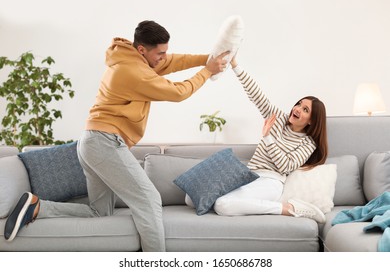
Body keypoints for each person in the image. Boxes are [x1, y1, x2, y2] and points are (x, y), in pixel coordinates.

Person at [4, 20, 229, 251]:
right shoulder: (133, 72)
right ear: (142, 50)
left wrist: (206, 58)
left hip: (93, 142)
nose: (164, 57)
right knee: (150, 199)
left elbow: (171, 61)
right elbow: (178, 92)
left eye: (165, 51)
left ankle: (38, 206)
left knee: (100, 211)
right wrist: (207, 71)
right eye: (160, 53)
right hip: (104, 143)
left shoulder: (132, 59)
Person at [213, 56, 328, 223]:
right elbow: (258, 96)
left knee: (222, 205)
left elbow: (285, 166)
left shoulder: (308, 143)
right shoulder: (279, 118)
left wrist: (267, 137)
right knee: (191, 198)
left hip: (270, 182)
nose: (297, 109)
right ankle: (265, 206)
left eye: (305, 109)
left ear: (311, 120)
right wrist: (236, 66)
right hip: (249, 176)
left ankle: (287, 209)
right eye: (299, 104)